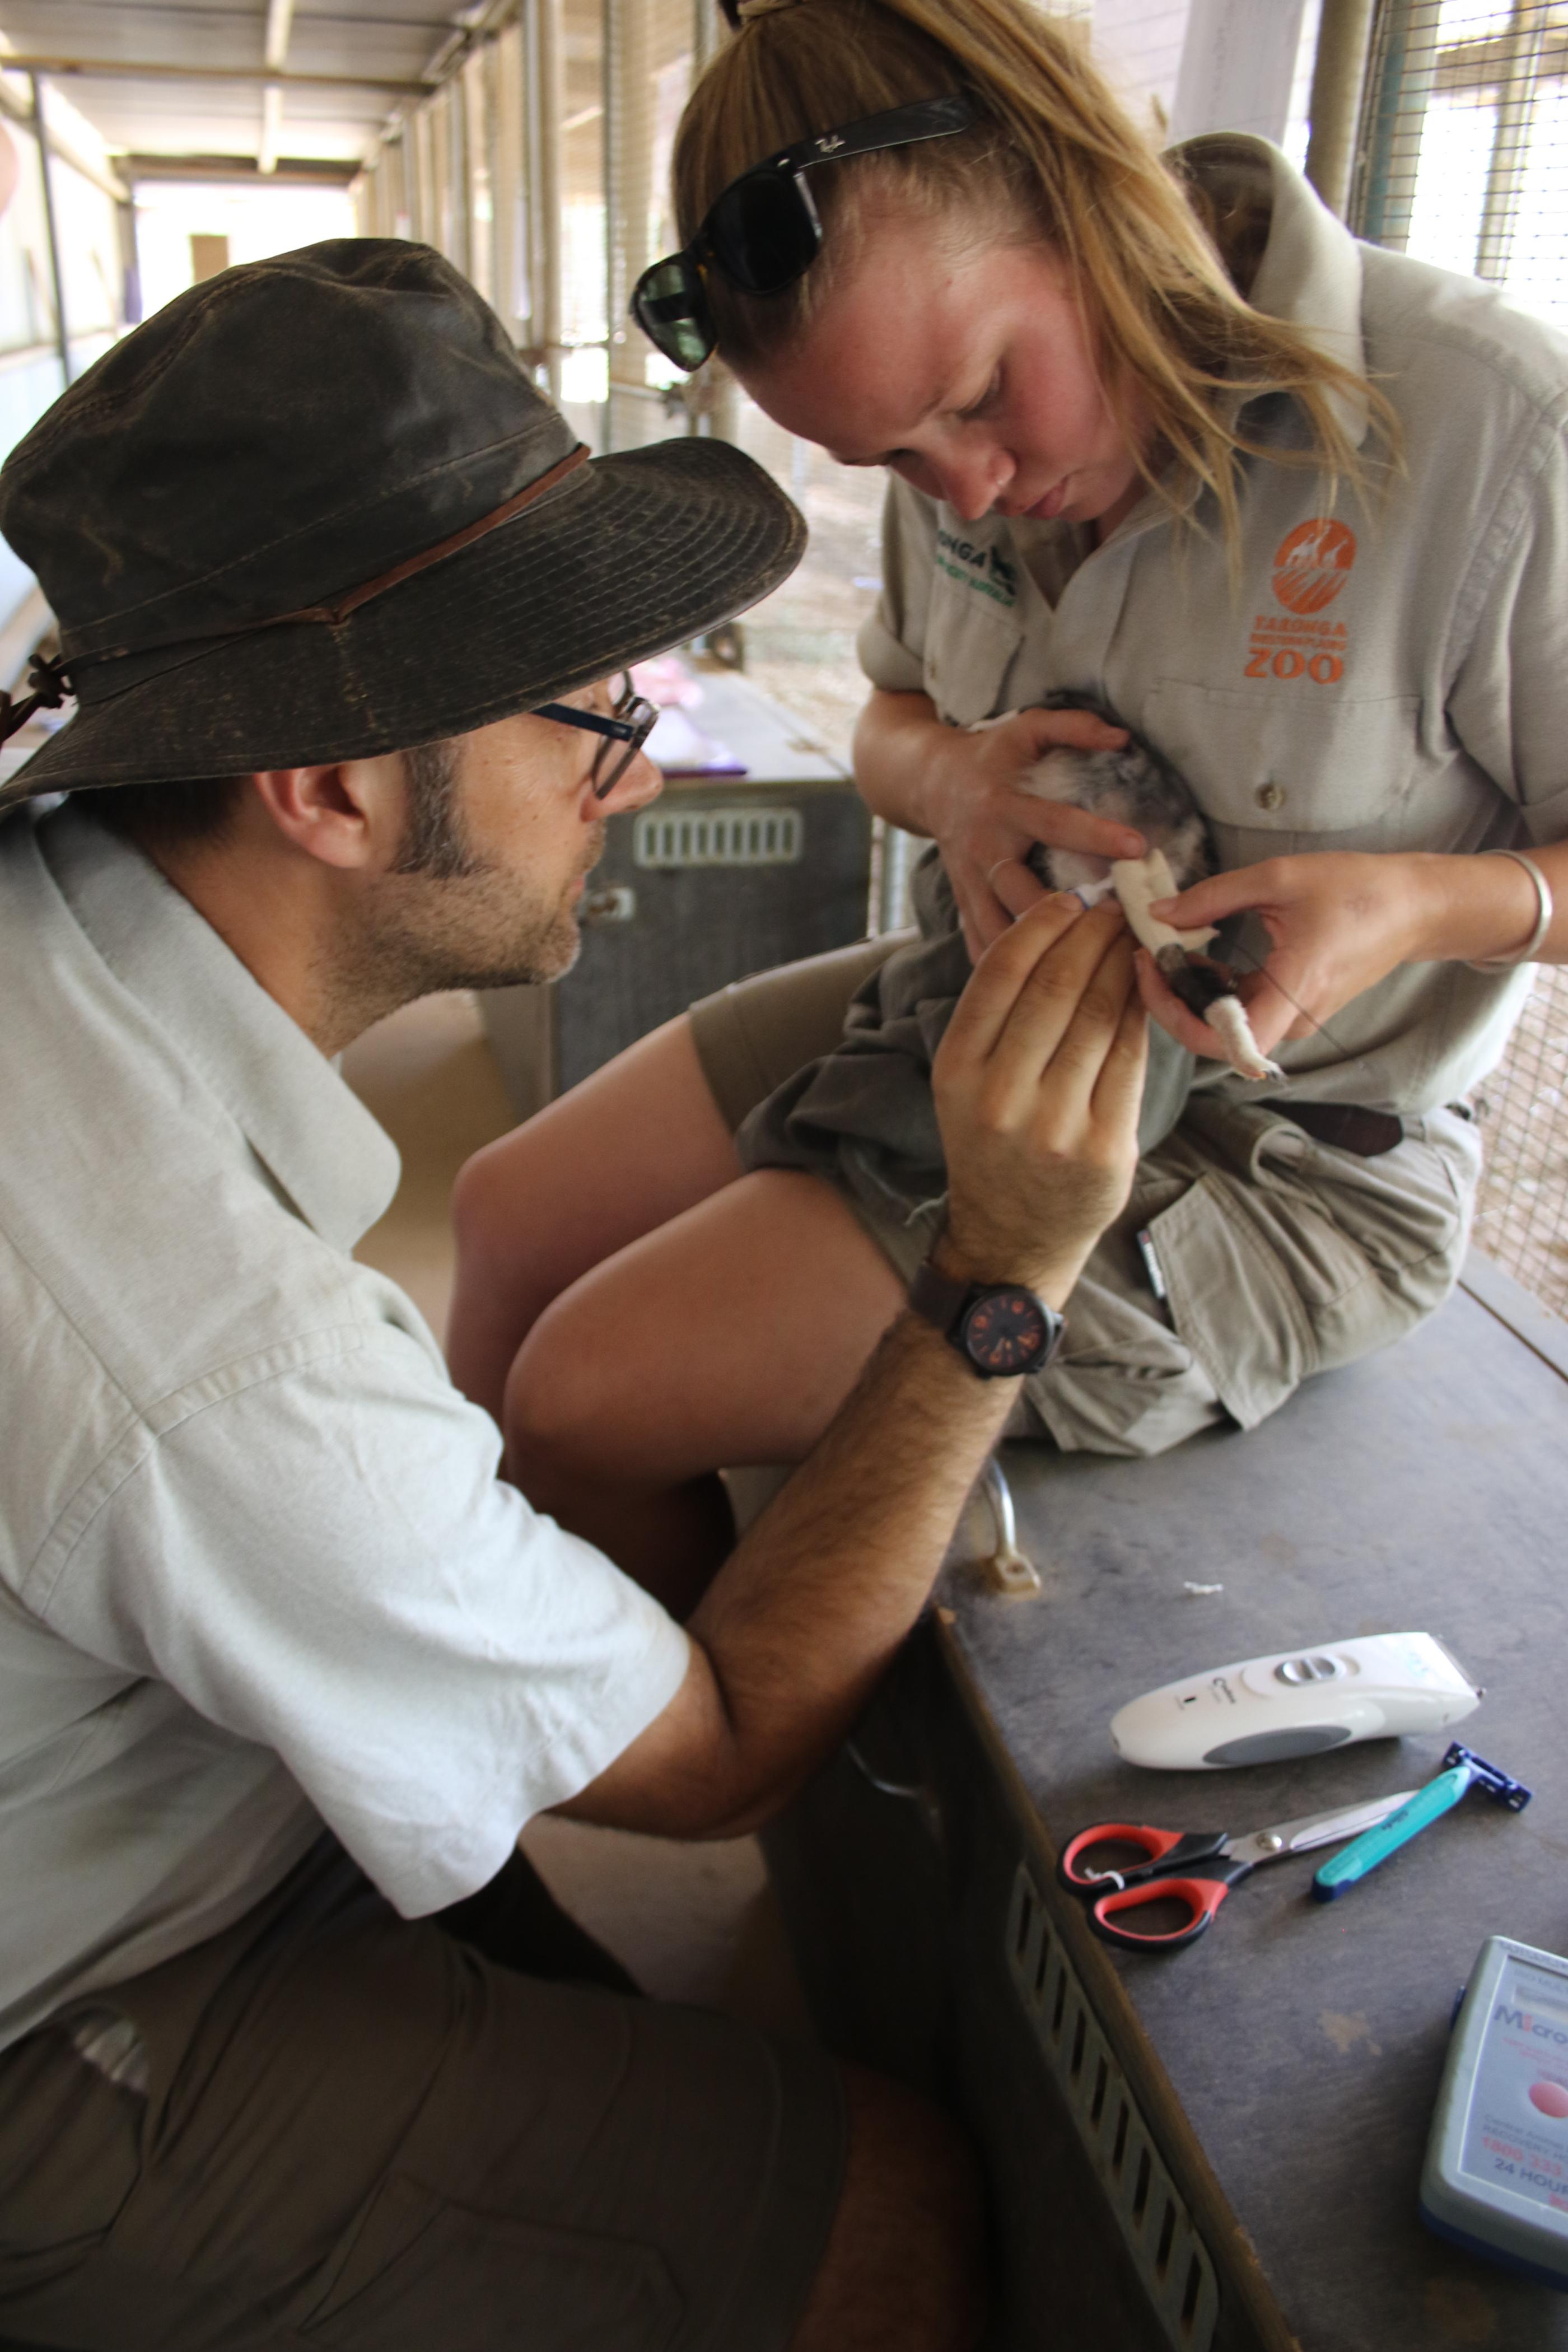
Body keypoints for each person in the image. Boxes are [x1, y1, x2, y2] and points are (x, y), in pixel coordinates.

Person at [0, 239, 1151, 2352]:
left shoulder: (57, 948)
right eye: (584, 714)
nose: (633, 770)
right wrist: (999, 1268)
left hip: (144, 1787)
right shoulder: (227, 1364)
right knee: (887, 2210)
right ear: (328, 790)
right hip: (56, 2007)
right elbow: (712, 1765)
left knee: (621, 2035)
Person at [448, 0, 1568, 1594]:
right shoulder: (960, 448)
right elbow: (892, 721)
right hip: (965, 1011)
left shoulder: (1486, 425)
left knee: (586, 1395)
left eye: (981, 395)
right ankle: (504, 1678)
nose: (970, 489)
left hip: (1266, 1151)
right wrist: (958, 780)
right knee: (504, 1218)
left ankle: (712, 1731)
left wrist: (1425, 904)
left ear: (1085, 187)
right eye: (897, 460)